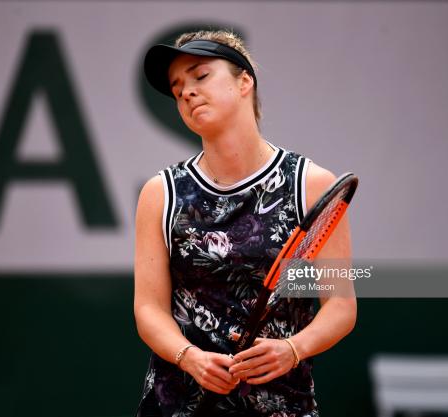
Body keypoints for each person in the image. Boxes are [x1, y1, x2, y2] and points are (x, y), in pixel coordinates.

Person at [134, 29, 356, 417]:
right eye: (177, 87)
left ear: (245, 82)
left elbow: (340, 304)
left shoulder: (310, 185)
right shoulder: (160, 194)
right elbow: (149, 309)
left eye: (200, 76)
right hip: (178, 404)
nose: (186, 92)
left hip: (282, 404)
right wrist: (190, 358)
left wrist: (292, 349)